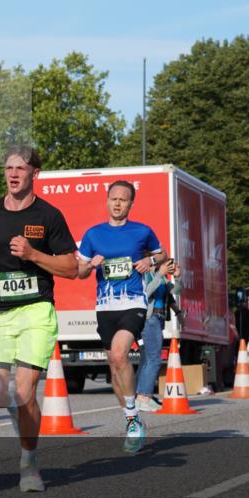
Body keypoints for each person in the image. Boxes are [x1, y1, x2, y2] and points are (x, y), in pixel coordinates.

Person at [0, 145, 78, 493]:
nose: (13, 174)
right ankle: (23, 418)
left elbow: (71, 267)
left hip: (36, 309)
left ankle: (29, 460)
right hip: (0, 311)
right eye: (8, 168)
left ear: (35, 173)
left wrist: (33, 254)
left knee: (23, 388)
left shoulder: (49, 216)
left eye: (20, 168)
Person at [76, 180, 167, 453]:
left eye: (123, 200)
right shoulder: (93, 234)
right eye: (113, 198)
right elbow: (78, 272)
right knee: (115, 368)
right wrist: (89, 266)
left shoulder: (142, 231)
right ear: (107, 200)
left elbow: (162, 255)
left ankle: (132, 415)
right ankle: (133, 419)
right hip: (105, 307)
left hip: (133, 303)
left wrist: (149, 262)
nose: (117, 203)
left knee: (119, 355)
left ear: (131, 204)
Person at [134, 257, 181, 412]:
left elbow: (175, 291)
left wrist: (177, 276)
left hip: (158, 318)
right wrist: (159, 275)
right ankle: (144, 397)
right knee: (154, 358)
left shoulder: (162, 279)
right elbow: (144, 293)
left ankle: (141, 397)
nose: (165, 266)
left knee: (148, 358)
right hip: (149, 318)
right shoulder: (145, 275)